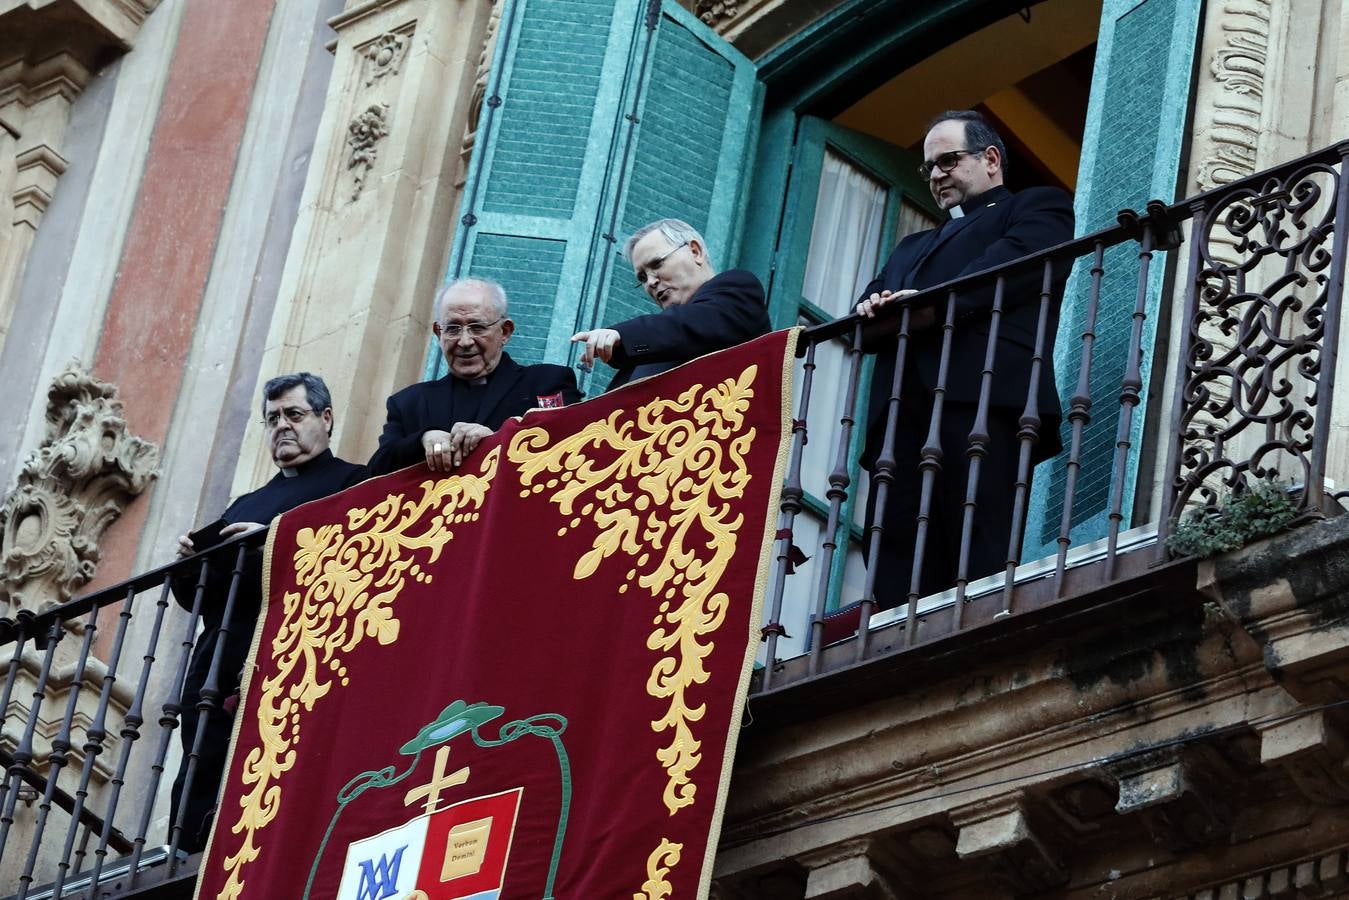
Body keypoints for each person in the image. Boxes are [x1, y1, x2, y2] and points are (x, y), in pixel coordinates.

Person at [855, 110, 1074, 604]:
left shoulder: (1037, 205)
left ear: (991, 158)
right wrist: (872, 307)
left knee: (978, 534)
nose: (935, 175)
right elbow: (867, 313)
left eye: (948, 160)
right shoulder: (911, 247)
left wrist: (925, 303)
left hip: (982, 394)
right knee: (893, 547)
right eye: (928, 167)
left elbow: (1017, 263)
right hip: (902, 410)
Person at [170, 372, 365, 852]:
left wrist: (272, 539)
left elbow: (354, 562)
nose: (282, 426)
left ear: (325, 418)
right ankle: (194, 850)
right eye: (272, 418)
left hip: (298, 650)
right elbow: (199, 594)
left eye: (294, 415)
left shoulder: (353, 483)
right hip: (223, 651)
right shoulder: (246, 502)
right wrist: (188, 563)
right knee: (205, 755)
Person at [368, 278, 581, 476]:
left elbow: (572, 447)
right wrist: (423, 438)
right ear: (438, 333)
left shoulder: (546, 382)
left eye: (477, 327)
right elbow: (374, 474)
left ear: (505, 332)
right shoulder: (409, 403)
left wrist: (500, 440)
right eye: (452, 329)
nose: (465, 341)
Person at [570, 218, 770, 391]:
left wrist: (622, 335)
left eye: (657, 264)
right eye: (642, 277)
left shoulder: (738, 288)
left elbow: (691, 325)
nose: (650, 282)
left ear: (695, 251)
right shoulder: (652, 345)